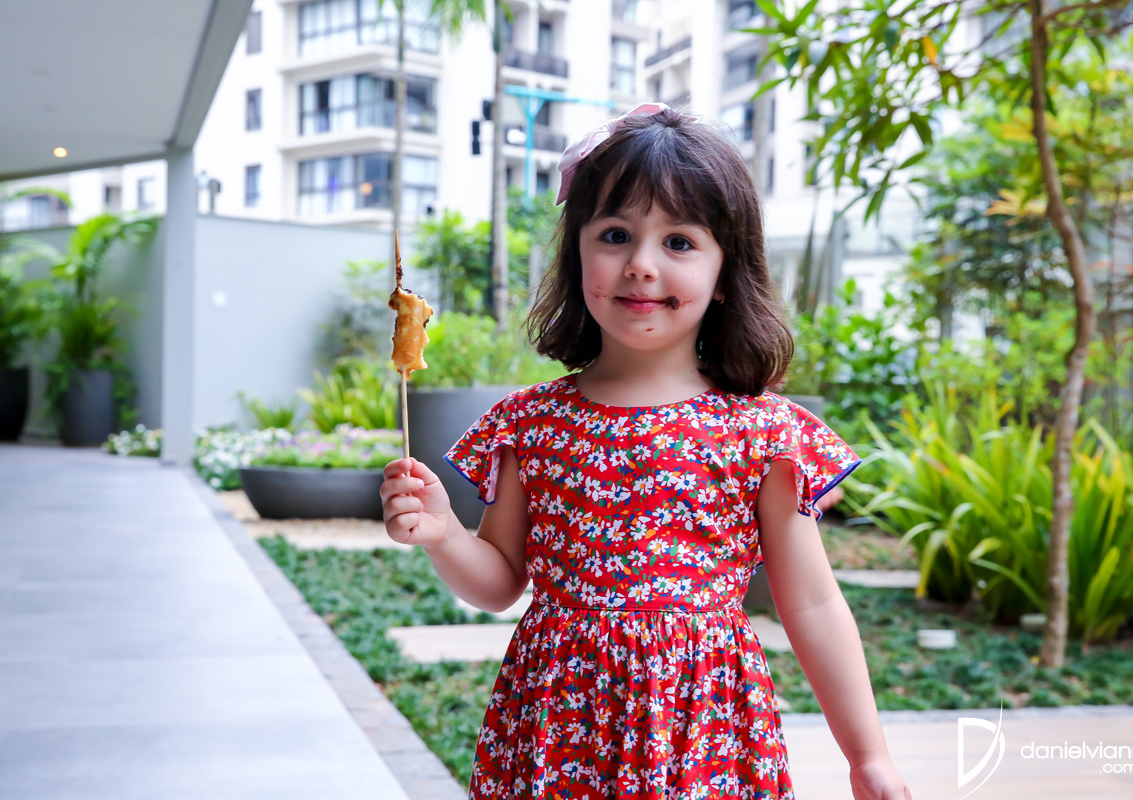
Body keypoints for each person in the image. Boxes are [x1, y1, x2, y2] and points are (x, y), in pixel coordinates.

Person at [380, 103, 913, 800]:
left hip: (705, 736)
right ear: (577, 253)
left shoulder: (762, 434)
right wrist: (444, 533)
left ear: (726, 271)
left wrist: (867, 756)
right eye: (615, 235)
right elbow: (502, 581)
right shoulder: (530, 425)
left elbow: (811, 603)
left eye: (680, 242)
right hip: (556, 731)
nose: (640, 265)